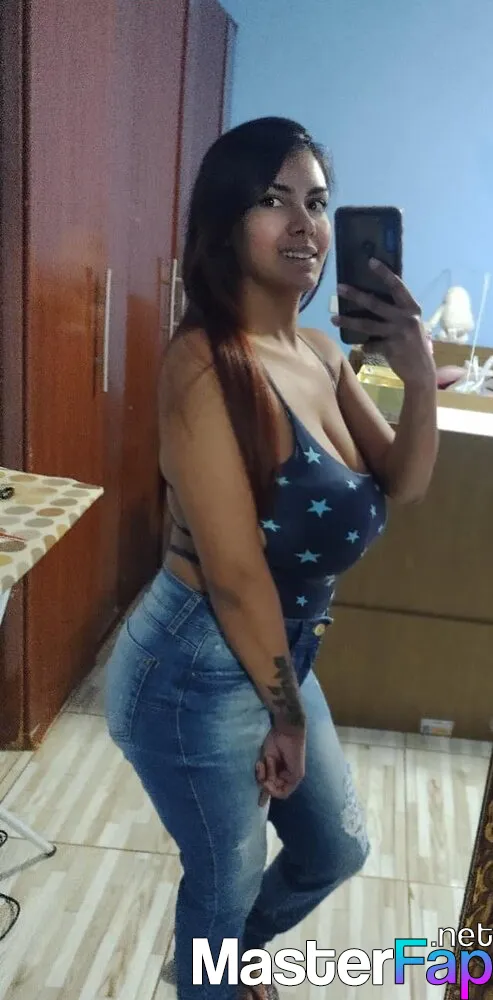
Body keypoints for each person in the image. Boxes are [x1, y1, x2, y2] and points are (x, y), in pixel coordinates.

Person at [104, 117, 437, 999]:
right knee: (224, 881)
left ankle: (223, 964)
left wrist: (415, 371)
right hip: (193, 668)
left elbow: (403, 483)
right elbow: (235, 573)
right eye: (272, 199)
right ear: (225, 223)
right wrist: (284, 719)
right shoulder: (204, 368)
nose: (304, 225)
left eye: (317, 203)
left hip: (278, 652)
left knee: (336, 849)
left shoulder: (318, 353)